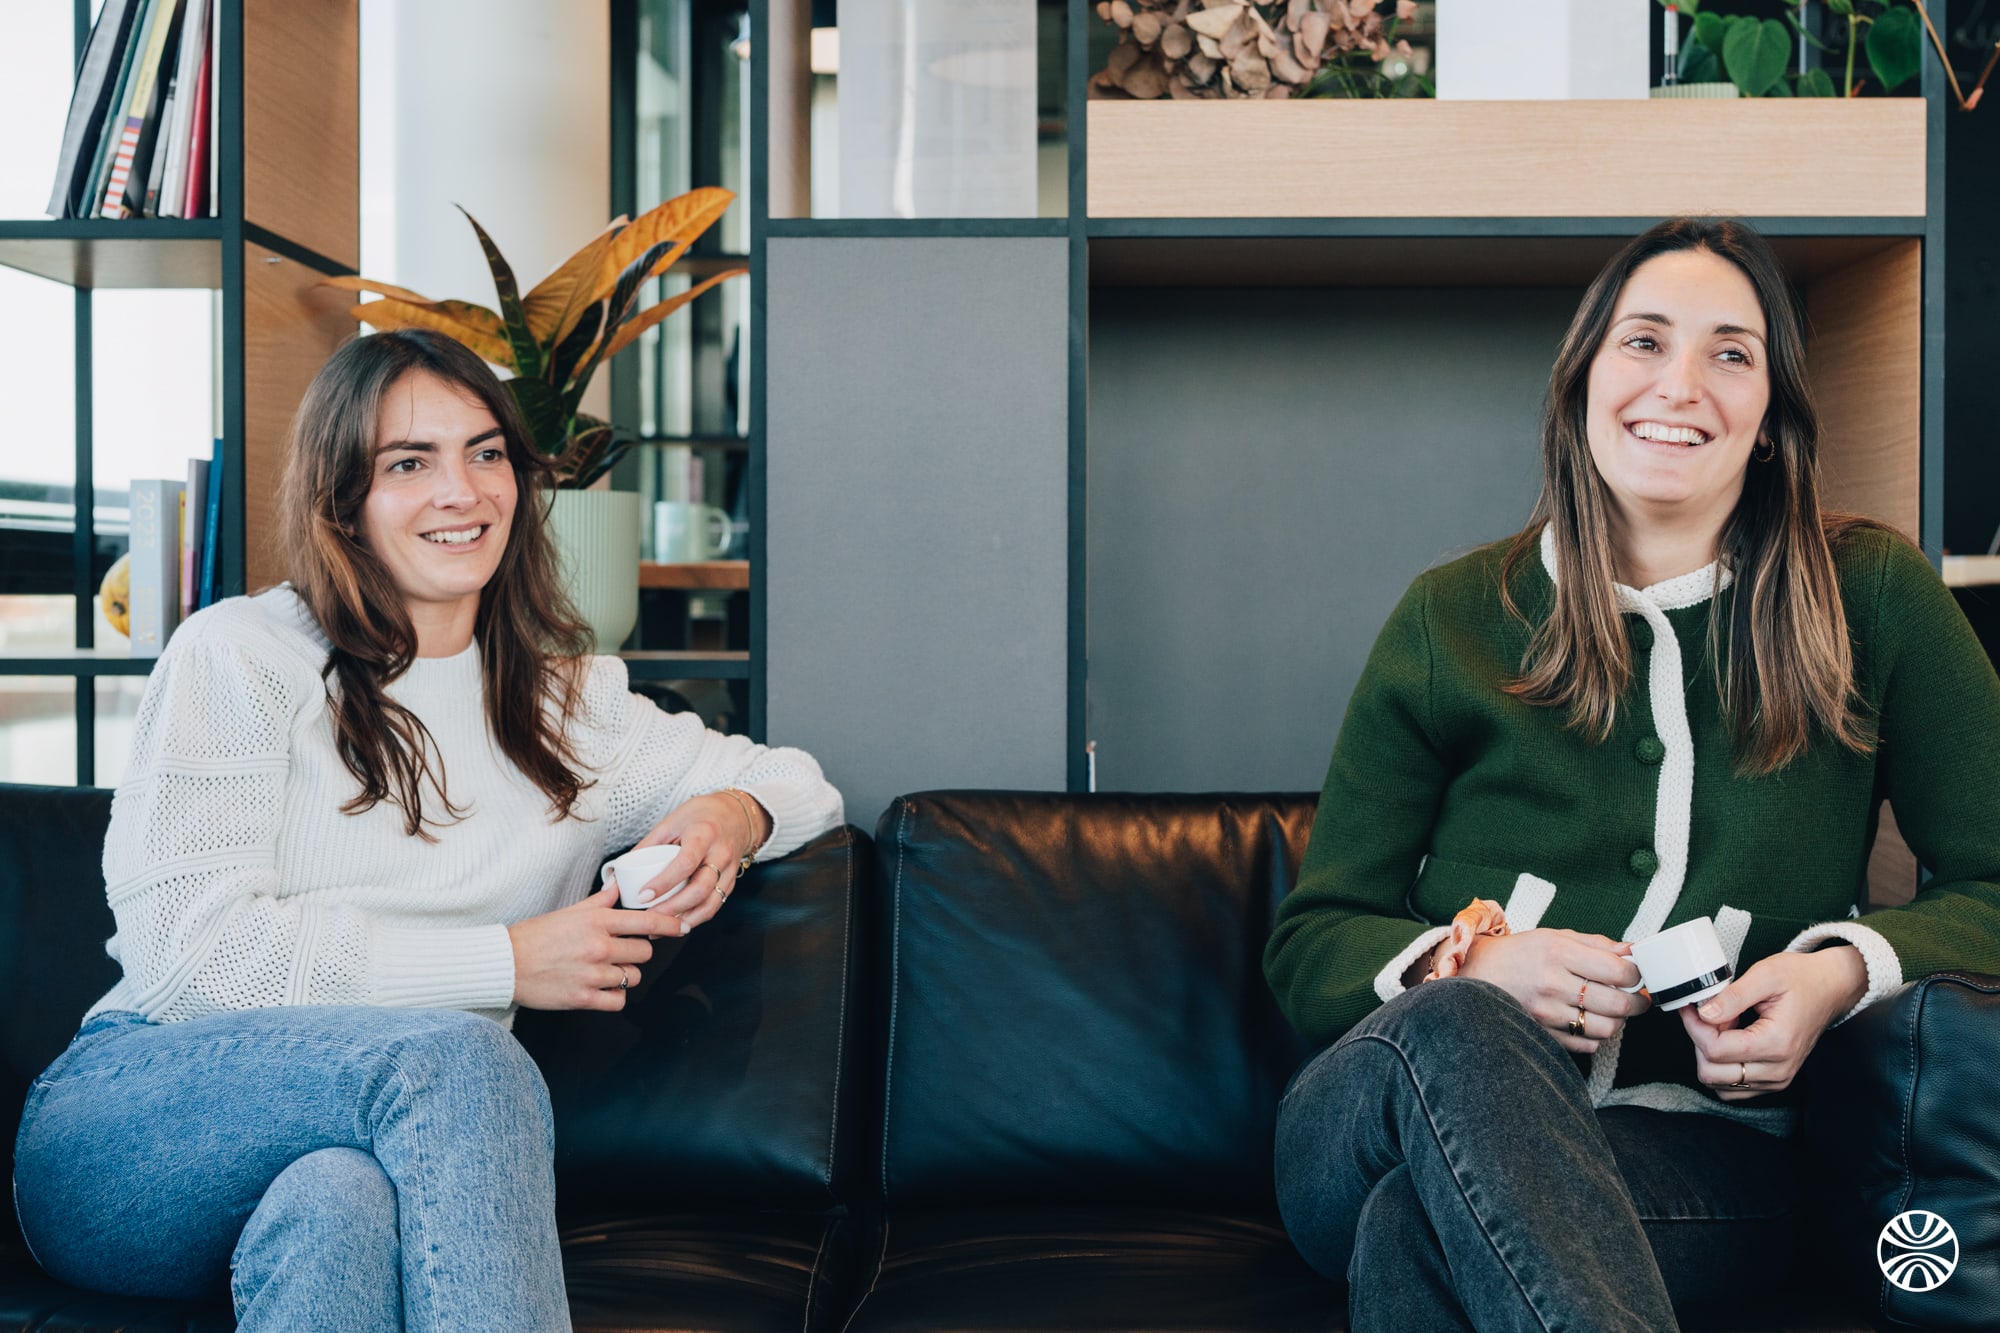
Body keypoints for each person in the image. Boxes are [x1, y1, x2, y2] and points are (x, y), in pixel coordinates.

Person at [10, 329, 845, 1330]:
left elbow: (800, 787)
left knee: (339, 1207)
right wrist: (504, 962)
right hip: (135, 1121)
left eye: (486, 452)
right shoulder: (240, 654)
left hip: (358, 1156)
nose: (464, 490)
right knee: (463, 1054)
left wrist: (729, 811)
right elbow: (192, 961)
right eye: (410, 463)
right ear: (343, 501)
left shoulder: (569, 707)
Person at [1264, 217, 2000, 1331]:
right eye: (1643, 341)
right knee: (1464, 1023)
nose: (1682, 383)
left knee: (1414, 1228)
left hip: (1706, 1161)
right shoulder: (1449, 616)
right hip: (1371, 1113)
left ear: (1767, 419)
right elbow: (1311, 938)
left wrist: (1837, 974)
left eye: (1730, 352)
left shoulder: (1874, 598)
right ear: (1581, 384)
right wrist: (1477, 965)